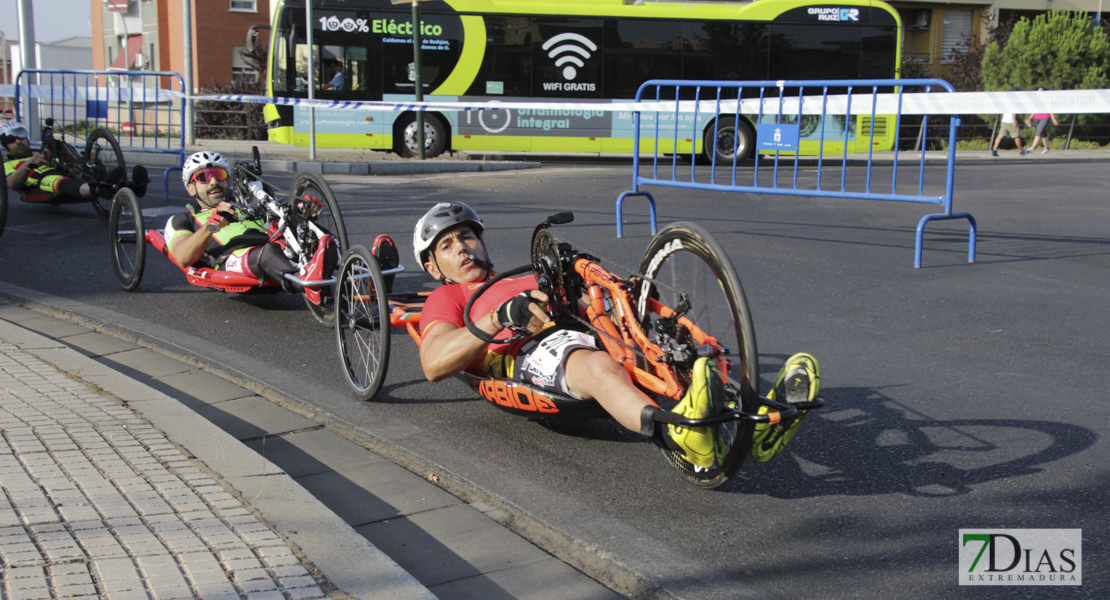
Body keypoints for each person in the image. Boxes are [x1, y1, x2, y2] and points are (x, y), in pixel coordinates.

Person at [412, 201, 821, 467]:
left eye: (466, 236)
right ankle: (680, 435)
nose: (462, 248)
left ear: (482, 242)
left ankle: (760, 422)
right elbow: (433, 363)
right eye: (447, 246)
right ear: (433, 267)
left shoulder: (520, 275)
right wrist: (500, 317)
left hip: (584, 326)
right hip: (528, 349)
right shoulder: (447, 297)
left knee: (666, 353)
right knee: (597, 367)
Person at [164, 150, 336, 291]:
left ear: (228, 180)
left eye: (219, 174)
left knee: (322, 239)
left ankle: (349, 273)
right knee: (267, 252)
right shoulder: (184, 219)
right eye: (204, 177)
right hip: (231, 257)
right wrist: (210, 226)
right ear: (191, 188)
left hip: (276, 248)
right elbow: (182, 257)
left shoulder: (247, 207)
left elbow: (282, 221)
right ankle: (308, 285)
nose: (214, 181)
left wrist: (302, 210)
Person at [2, 120, 147, 203]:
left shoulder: (44, 153)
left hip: (65, 171)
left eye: (20, 136)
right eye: (11, 140)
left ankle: (133, 186)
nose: (18, 141)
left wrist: (88, 162)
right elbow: (11, 183)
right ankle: (98, 189)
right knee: (59, 181)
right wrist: (30, 164)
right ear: (5, 148)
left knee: (90, 167)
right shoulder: (7, 165)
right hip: (42, 179)